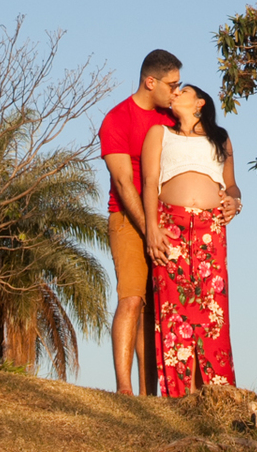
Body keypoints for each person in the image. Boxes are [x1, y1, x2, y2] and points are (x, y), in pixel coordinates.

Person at [141, 82, 241, 396]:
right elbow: (148, 182)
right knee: (173, 308)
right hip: (170, 222)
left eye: (182, 91)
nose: (175, 93)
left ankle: (217, 394)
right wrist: (151, 230)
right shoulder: (159, 133)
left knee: (212, 309)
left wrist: (236, 203)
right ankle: (179, 396)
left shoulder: (220, 138)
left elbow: (232, 185)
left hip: (211, 227)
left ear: (199, 103)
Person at [98, 48, 181, 395]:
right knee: (132, 298)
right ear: (150, 82)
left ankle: (151, 393)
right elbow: (122, 182)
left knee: (159, 307)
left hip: (169, 220)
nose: (176, 92)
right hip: (128, 219)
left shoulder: (173, 119)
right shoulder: (117, 119)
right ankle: (124, 389)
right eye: (171, 85)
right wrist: (149, 230)